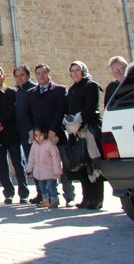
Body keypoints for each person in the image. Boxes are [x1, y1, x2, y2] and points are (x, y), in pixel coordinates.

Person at [25, 64, 74, 206]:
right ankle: (50, 197)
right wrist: (32, 132)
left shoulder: (59, 90)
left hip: (56, 135)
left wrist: (52, 130)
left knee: (62, 166)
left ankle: (69, 196)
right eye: (38, 73)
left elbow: (60, 111)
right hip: (39, 138)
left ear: (49, 74)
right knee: (43, 168)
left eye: (44, 73)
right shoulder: (31, 93)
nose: (41, 75)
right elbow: (26, 113)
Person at [0, 66, 29, 204]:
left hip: (11, 134)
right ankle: (8, 192)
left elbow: (13, 110)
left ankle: (24, 193)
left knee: (18, 164)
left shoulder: (12, 93)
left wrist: (1, 122)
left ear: (4, 77)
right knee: (2, 166)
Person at [66, 61, 104, 210]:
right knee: (81, 165)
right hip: (75, 132)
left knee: (93, 165)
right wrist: (70, 124)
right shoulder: (72, 89)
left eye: (78, 70)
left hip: (89, 130)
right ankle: (86, 197)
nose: (75, 73)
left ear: (83, 71)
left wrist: (78, 124)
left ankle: (97, 199)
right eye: (72, 70)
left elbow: (90, 108)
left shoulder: (91, 85)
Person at [13, 65, 38, 201]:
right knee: (31, 162)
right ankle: (40, 192)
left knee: (40, 163)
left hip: (34, 133)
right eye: (17, 76)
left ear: (28, 76)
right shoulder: (18, 91)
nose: (20, 78)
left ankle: (47, 193)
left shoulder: (34, 89)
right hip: (22, 133)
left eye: (22, 75)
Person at [26, 127, 62, 209]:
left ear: (45, 134)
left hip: (50, 171)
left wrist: (57, 170)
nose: (38, 137)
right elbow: (31, 158)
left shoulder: (50, 144)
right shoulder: (34, 145)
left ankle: (54, 200)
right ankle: (45, 201)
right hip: (39, 172)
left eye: (40, 135)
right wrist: (29, 169)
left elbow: (56, 158)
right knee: (42, 187)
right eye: (36, 135)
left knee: (51, 186)